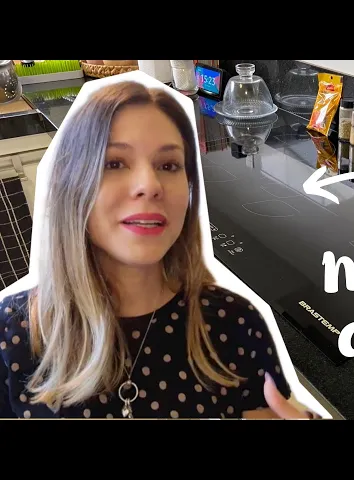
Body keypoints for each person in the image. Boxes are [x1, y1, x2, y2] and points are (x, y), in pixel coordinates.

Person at [0, 80, 319, 419]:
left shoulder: (236, 325)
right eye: (114, 163)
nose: (149, 185)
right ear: (71, 184)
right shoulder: (14, 331)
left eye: (168, 166)